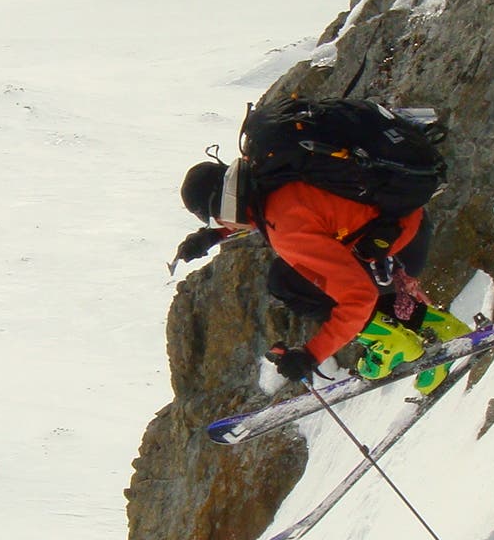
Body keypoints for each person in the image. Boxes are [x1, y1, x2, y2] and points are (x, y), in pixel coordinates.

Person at [176, 157, 469, 392]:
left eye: (216, 215)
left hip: (396, 245)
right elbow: (280, 208)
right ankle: (436, 324)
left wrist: (311, 354)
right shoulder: (268, 168)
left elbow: (358, 297)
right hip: (401, 218)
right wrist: (214, 235)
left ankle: (389, 341)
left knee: (290, 283)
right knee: (297, 275)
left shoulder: (287, 229)